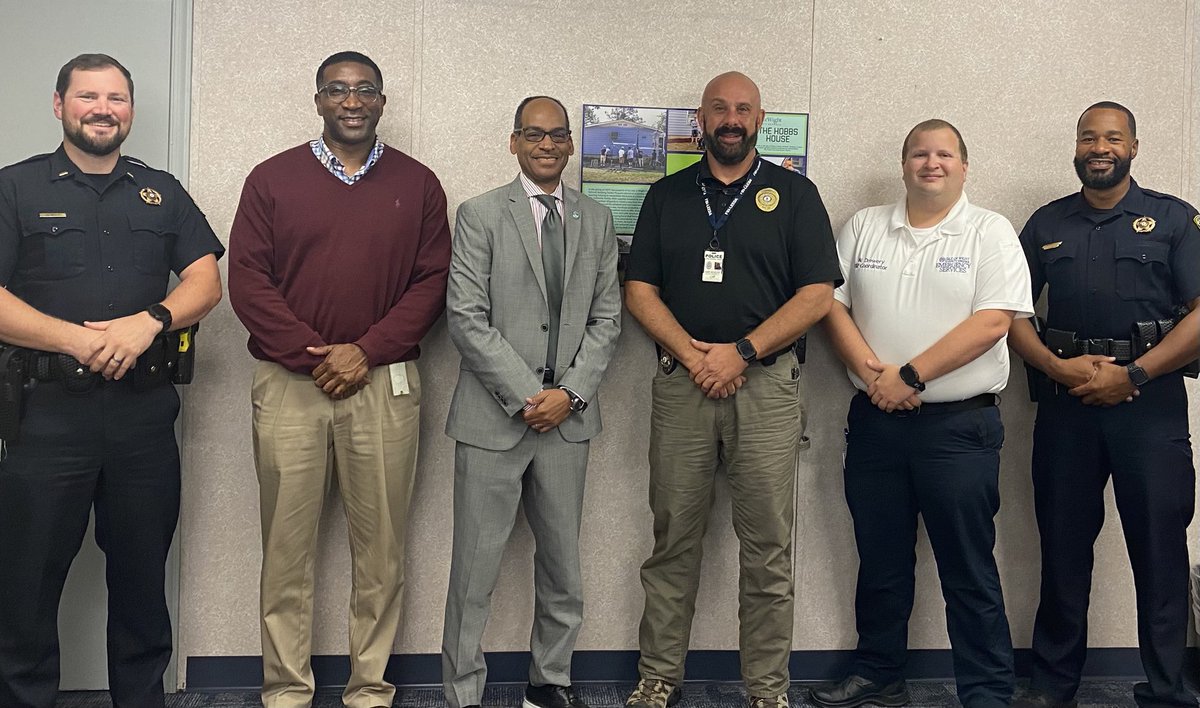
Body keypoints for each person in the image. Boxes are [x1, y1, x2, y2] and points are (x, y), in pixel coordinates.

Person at [227, 50, 451, 708]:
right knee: (286, 551)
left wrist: (368, 350)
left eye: (364, 91)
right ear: (318, 100)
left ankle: (368, 691)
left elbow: (432, 283)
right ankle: (287, 692)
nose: (351, 101)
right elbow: (247, 281)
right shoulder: (271, 181)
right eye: (337, 90)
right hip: (290, 385)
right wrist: (312, 353)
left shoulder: (419, 184)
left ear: (382, 103)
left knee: (380, 552)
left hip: (383, 385)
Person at [0, 53, 223, 708]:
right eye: (89, 96)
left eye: (117, 98)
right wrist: (76, 338)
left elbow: (206, 280)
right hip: (45, 419)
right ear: (59, 104)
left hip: (143, 419)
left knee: (141, 589)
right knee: (27, 589)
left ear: (130, 109)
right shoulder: (15, 188)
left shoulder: (161, 190)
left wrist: (149, 322)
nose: (103, 108)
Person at [623, 71, 841, 708]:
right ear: (700, 119)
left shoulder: (795, 195)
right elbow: (640, 291)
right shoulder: (666, 197)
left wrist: (742, 352)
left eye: (743, 109)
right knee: (672, 542)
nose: (731, 118)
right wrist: (695, 356)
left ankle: (767, 689)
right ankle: (657, 678)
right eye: (719, 107)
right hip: (683, 387)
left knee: (770, 548)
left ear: (759, 119)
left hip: (768, 390)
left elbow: (818, 294)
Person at [810, 120, 1032, 708]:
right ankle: (880, 674)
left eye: (944, 154)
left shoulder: (989, 231)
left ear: (964, 164)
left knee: (969, 568)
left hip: (959, 429)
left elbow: (993, 321)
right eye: (919, 153)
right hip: (878, 426)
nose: (930, 164)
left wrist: (909, 375)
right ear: (903, 163)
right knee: (881, 562)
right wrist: (876, 377)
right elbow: (829, 304)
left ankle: (986, 692)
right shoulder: (864, 226)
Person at [1008, 102, 1200, 708]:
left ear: (1133, 147)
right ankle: (1052, 684)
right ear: (1076, 147)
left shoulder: (1175, 220)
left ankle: (1168, 689)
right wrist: (1052, 366)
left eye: (1113, 138)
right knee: (1062, 547)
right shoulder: (1044, 224)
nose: (1100, 147)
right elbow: (1008, 312)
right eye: (1089, 137)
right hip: (1067, 406)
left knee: (1160, 549)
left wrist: (1135, 372)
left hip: (1150, 404)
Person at [441, 95, 621, 708]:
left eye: (557, 135)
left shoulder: (596, 221)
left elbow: (607, 321)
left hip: (568, 422)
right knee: (474, 572)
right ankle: (463, 691)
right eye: (533, 134)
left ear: (572, 145)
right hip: (493, 420)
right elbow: (466, 318)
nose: (547, 145)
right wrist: (526, 396)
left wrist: (567, 395)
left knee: (564, 569)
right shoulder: (480, 215)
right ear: (513, 142)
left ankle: (550, 684)